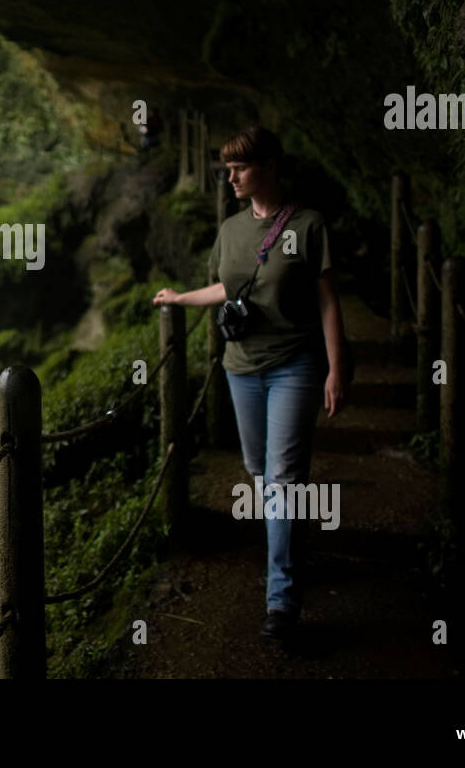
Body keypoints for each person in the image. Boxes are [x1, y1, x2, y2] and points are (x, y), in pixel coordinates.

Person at [152, 124, 350, 640]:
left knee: (282, 478)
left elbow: (328, 300)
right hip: (241, 368)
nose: (231, 177)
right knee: (260, 471)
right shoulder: (232, 229)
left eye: (239, 168)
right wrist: (178, 299)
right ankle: (288, 549)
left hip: (295, 365)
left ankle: (281, 599)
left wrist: (337, 367)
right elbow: (224, 287)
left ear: (268, 167)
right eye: (227, 169)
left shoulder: (308, 226)